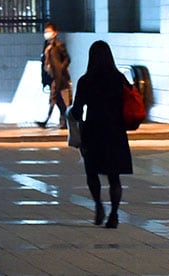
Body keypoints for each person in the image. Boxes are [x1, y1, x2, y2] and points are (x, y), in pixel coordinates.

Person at [70, 40, 133, 228]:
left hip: (94, 131)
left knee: (92, 172)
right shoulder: (119, 79)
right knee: (114, 177)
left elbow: (77, 111)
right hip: (116, 131)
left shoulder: (86, 80)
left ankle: (98, 206)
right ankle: (114, 214)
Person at [37, 22, 70, 129]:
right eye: (46, 31)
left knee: (54, 98)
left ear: (55, 33)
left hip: (59, 77)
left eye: (49, 31)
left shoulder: (59, 45)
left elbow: (67, 59)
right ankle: (64, 120)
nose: (47, 34)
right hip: (52, 77)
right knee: (58, 100)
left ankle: (47, 121)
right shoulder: (46, 46)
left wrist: (60, 68)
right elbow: (44, 63)